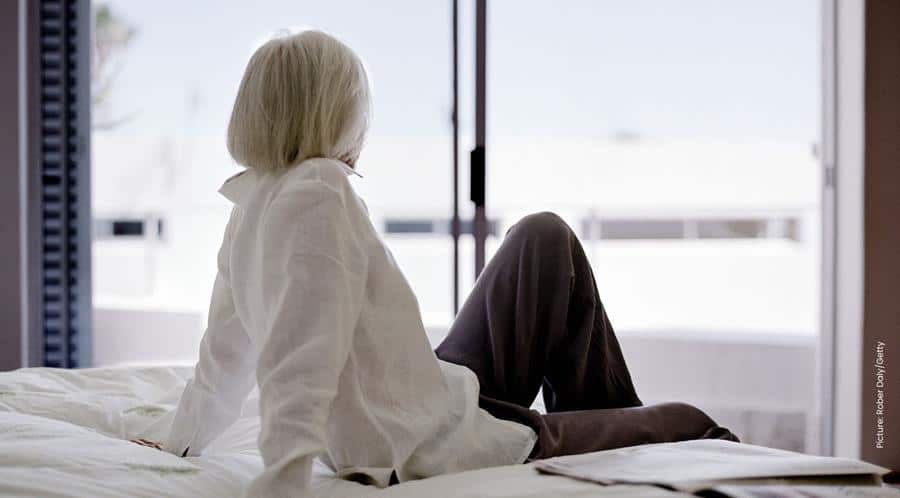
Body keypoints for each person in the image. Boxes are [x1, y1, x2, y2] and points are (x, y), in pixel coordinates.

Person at [148, 29, 737, 497]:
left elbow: (221, 358)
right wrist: (282, 483)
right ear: (334, 115)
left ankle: (599, 436)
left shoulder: (249, 206)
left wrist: (180, 441)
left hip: (430, 394)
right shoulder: (319, 192)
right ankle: (607, 445)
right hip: (428, 444)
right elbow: (301, 360)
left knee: (543, 238)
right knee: (693, 424)